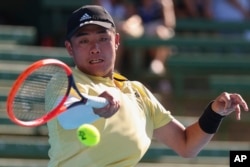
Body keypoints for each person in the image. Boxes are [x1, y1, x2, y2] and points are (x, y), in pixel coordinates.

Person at [46, 5, 249, 167]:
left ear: (116, 41)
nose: (95, 48)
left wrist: (215, 112)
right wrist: (97, 109)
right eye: (84, 41)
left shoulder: (137, 91)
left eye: (102, 38)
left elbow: (187, 145)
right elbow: (67, 116)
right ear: (69, 48)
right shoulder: (65, 81)